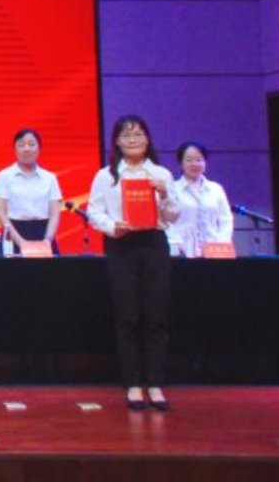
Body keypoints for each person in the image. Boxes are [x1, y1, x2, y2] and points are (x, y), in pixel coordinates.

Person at [87, 113, 180, 412]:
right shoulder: (106, 176)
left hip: (154, 244)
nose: (132, 139)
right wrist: (112, 226)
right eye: (126, 135)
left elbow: (173, 215)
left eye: (138, 134)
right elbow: (94, 212)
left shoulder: (161, 174)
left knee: (156, 315)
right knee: (128, 316)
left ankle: (155, 383)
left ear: (148, 139)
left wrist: (164, 195)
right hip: (122, 245)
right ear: (116, 141)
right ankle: (133, 384)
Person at [0, 128, 63, 255]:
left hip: (43, 233)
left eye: (31, 144)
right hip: (13, 233)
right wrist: (21, 243)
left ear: (39, 148)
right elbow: (0, 212)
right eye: (21, 145)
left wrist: (47, 240)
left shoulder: (50, 178)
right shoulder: (4, 176)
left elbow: (54, 214)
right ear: (15, 149)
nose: (26, 149)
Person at [167, 141, 233, 258]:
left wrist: (222, 242)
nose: (194, 164)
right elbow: (167, 221)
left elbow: (226, 219)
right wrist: (175, 242)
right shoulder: (173, 189)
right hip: (183, 251)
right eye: (189, 160)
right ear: (181, 163)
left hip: (214, 252)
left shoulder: (216, 189)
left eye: (198, 160)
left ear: (205, 162)